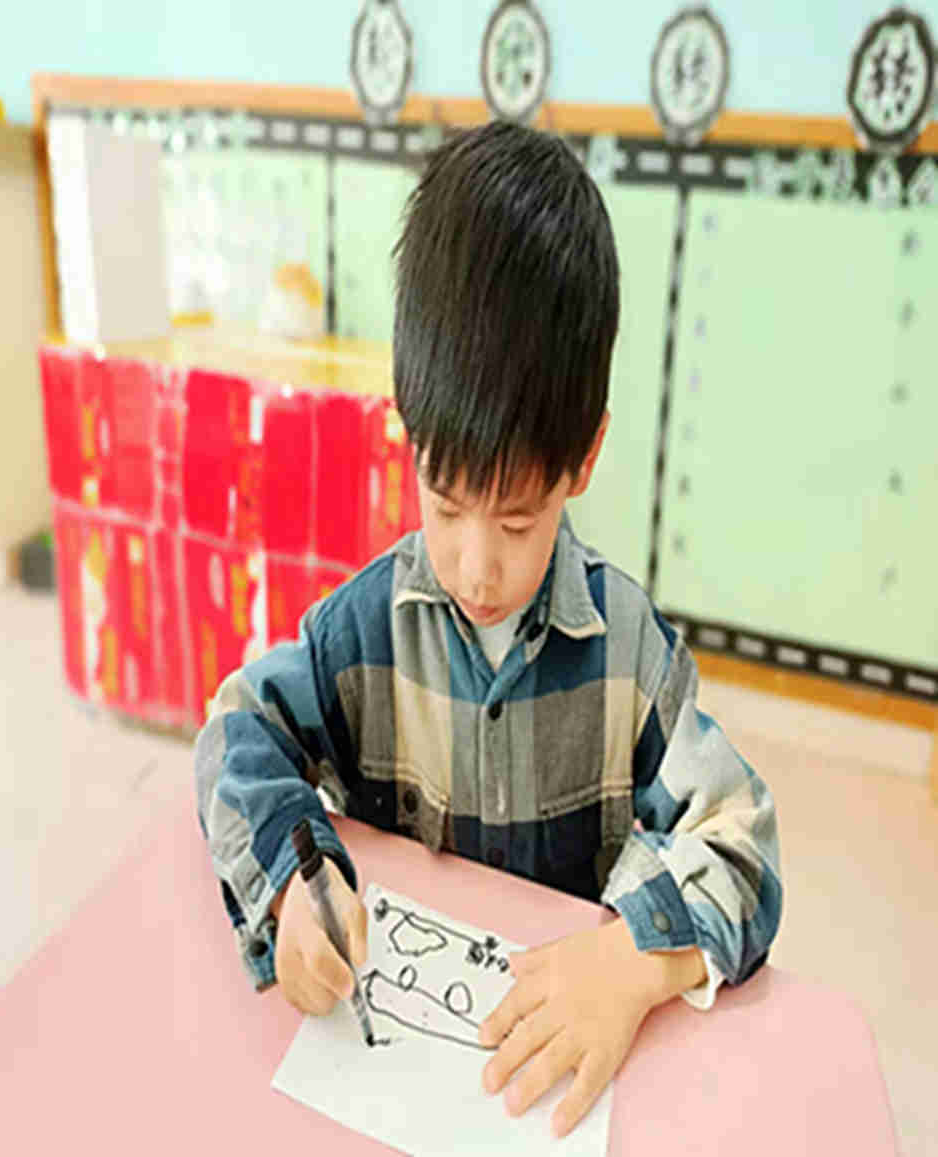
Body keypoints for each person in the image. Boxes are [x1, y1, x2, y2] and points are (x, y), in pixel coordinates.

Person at [195, 120, 782, 1138]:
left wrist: (633, 958)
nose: (476, 565)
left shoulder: (631, 655)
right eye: (445, 503)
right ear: (407, 431)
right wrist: (294, 881)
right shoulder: (361, 630)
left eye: (516, 521)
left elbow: (746, 848)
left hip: (555, 1095)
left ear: (583, 459)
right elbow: (234, 730)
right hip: (394, 1084)